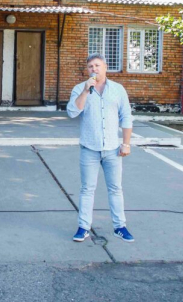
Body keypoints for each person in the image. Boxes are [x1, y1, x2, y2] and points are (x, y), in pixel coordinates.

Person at [66, 54, 134, 243]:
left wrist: (126, 143)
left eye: (97, 65)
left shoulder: (118, 90)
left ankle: (120, 227)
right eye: (90, 66)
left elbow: (126, 117)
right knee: (87, 189)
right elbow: (72, 112)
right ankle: (83, 228)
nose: (94, 69)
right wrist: (85, 91)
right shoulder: (80, 89)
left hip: (113, 149)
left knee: (115, 188)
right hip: (89, 148)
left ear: (105, 67)